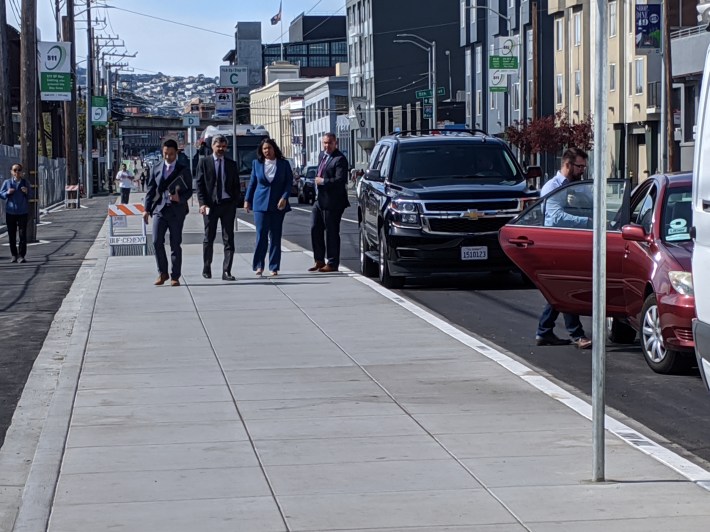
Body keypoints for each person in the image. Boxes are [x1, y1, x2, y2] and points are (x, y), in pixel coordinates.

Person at [535, 147, 592, 350]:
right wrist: (587, 220)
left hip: (574, 242)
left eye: (584, 167)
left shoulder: (577, 186)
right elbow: (556, 217)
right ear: (567, 165)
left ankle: (544, 331)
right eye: (579, 167)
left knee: (560, 291)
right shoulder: (553, 187)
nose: (582, 171)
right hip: (556, 243)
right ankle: (577, 335)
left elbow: (591, 204)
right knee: (567, 288)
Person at [143, 139, 193, 286]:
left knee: (175, 243)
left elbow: (190, 190)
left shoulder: (183, 169)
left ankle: (175, 276)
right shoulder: (156, 168)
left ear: (176, 153)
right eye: (165, 154)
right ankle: (162, 272)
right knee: (156, 241)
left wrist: (180, 197)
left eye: (171, 154)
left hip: (177, 211)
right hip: (160, 209)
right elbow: (151, 190)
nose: (168, 157)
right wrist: (146, 209)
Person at [244, 138, 293, 276]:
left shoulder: (283, 164)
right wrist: (247, 200)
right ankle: (259, 265)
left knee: (275, 236)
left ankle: (274, 266)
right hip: (260, 204)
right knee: (261, 235)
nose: (267, 151)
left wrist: (284, 197)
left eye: (269, 148)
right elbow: (253, 183)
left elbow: (289, 183)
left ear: (274, 149)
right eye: (264, 149)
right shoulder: (257, 164)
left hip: (278, 205)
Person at [195, 134, 240, 281]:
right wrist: (202, 204)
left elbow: (236, 186)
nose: (220, 149)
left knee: (229, 239)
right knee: (209, 237)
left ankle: (227, 271)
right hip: (210, 205)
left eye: (223, 146)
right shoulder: (204, 162)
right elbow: (200, 185)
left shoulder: (231, 164)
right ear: (212, 146)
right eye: (218, 146)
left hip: (227, 205)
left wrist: (234, 203)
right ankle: (206, 267)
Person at [308, 132, 350, 272]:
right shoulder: (322, 156)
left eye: (330, 143)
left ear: (335, 143)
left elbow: (340, 180)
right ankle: (319, 260)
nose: (327, 146)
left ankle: (332, 263)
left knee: (331, 232)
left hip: (333, 202)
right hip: (319, 200)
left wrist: (323, 181)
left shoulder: (340, 159)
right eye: (325, 143)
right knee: (315, 228)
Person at [0, 164, 32, 263]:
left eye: (19, 170)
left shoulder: (25, 182)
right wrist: (7, 193)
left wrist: (26, 192)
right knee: (11, 234)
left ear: (22, 172)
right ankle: (14, 255)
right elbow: (1, 194)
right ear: (11, 171)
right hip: (11, 212)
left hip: (22, 211)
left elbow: (31, 195)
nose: (17, 172)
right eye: (15, 170)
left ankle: (21, 255)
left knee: (22, 234)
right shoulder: (7, 182)